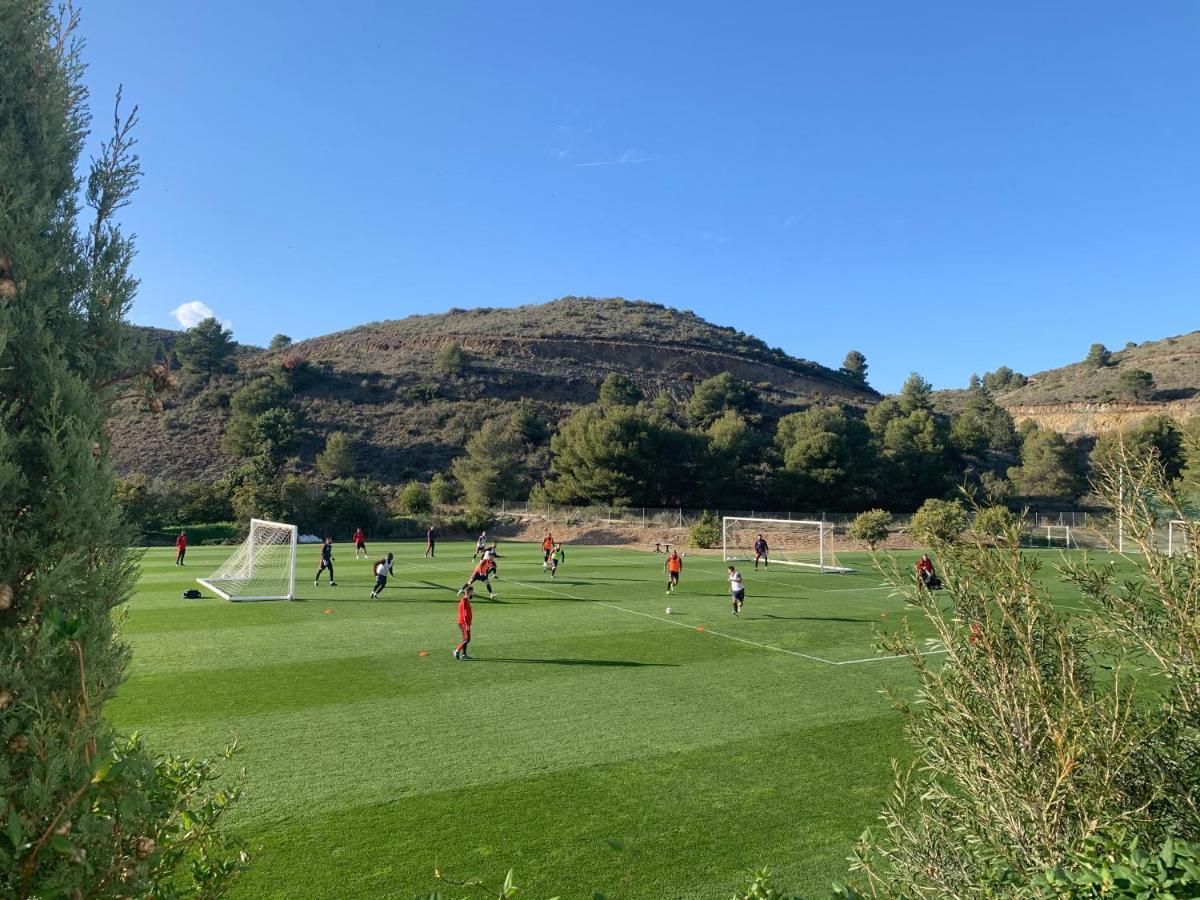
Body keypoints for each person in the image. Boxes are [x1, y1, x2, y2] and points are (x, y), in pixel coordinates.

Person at [454, 586, 473, 660]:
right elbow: (465, 614)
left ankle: (464, 655)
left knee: (465, 639)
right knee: (467, 639)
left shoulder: (466, 600)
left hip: (465, 623)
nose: (473, 593)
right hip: (463, 623)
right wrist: (467, 624)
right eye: (472, 591)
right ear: (470, 592)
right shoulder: (464, 601)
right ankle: (456, 650)